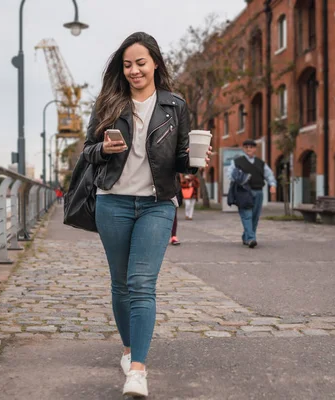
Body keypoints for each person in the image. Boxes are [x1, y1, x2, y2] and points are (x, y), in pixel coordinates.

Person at [83, 32, 211, 397]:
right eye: (128, 65)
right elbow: (87, 151)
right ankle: (128, 350)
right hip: (113, 202)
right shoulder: (109, 102)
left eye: (141, 63)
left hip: (157, 204)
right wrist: (104, 148)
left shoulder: (175, 106)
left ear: (155, 62)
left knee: (141, 284)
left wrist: (198, 160)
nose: (134, 70)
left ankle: (138, 369)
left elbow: (183, 159)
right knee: (120, 284)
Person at [227, 139, 277, 248]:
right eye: (246, 147)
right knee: (247, 215)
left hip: (258, 191)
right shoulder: (237, 161)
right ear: (243, 148)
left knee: (255, 216)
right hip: (243, 192)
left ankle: (246, 236)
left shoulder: (261, 163)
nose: (249, 149)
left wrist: (272, 185)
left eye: (251, 147)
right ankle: (251, 239)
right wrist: (240, 178)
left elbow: (269, 175)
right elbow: (230, 174)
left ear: (255, 149)